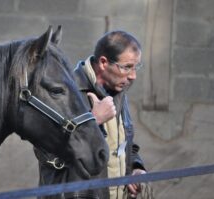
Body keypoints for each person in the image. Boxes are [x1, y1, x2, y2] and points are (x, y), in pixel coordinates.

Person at [34, 30, 146, 199]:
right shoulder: (64, 92)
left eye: (136, 67)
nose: (133, 76)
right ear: (103, 63)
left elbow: (125, 144)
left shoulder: (118, 90)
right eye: (127, 67)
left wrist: (136, 167)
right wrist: (93, 120)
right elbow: (47, 154)